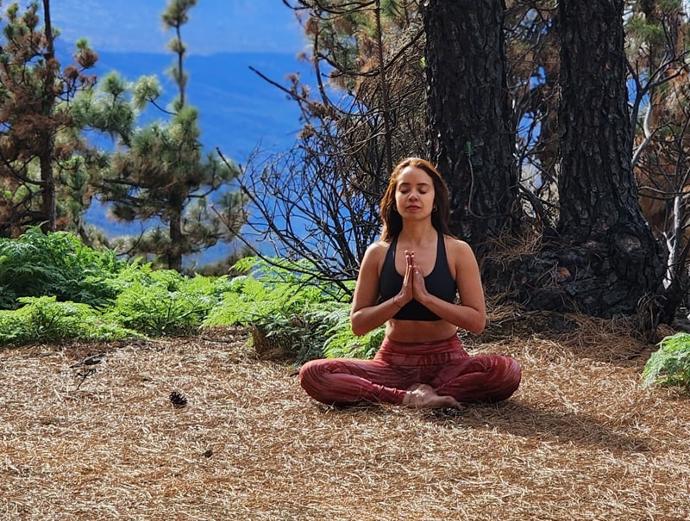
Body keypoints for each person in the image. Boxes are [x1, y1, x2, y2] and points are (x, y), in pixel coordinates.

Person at [299, 158, 521, 409]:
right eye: (404, 190)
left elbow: (477, 321)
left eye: (422, 190)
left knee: (506, 371)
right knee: (313, 373)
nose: (413, 196)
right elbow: (358, 324)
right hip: (392, 362)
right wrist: (400, 299)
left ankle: (428, 392)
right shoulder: (378, 253)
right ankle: (406, 397)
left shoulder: (457, 250)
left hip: (448, 361)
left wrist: (427, 299)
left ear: (435, 200)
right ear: (393, 198)